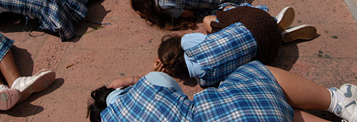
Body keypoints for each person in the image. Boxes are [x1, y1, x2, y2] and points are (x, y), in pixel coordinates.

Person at [87, 62, 357, 122]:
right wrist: (136, 78)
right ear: (118, 89)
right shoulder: (148, 83)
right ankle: (337, 100)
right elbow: (172, 89)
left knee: (280, 115)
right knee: (253, 77)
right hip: (238, 110)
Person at [153, 5, 318, 87]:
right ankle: (274, 22)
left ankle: (278, 34)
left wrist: (169, 70)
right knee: (213, 19)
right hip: (256, 19)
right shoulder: (188, 42)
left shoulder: (205, 82)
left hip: (269, 51)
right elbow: (204, 37)